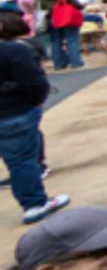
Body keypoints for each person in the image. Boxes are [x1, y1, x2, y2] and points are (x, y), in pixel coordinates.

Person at [0, 11, 68, 223]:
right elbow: (34, 82)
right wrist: (34, 100)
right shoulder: (13, 51)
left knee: (17, 160)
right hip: (16, 112)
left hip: (15, 110)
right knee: (22, 161)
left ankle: (33, 202)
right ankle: (35, 205)